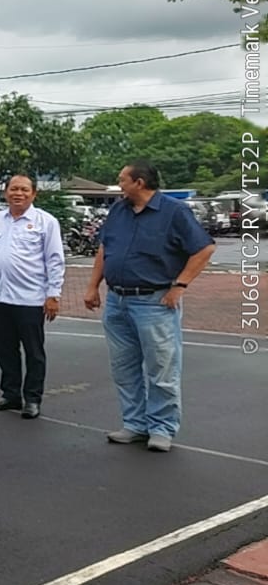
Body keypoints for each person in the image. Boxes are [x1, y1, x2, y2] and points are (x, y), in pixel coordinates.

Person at [83, 161, 215, 452]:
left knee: (161, 368)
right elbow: (105, 248)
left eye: (122, 179)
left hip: (154, 302)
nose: (119, 184)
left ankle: (161, 428)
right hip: (117, 300)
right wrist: (93, 286)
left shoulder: (174, 212)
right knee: (124, 367)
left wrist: (180, 285)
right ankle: (135, 424)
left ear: (139, 183)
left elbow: (204, 248)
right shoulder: (119, 210)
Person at [0, 174, 65, 420]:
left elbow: (55, 259)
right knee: (5, 350)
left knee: (34, 352)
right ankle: (11, 395)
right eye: (14, 189)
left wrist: (53, 294)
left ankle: (33, 399)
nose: (19, 193)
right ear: (6, 192)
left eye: (24, 190)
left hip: (30, 299)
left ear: (33, 194)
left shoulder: (46, 222)